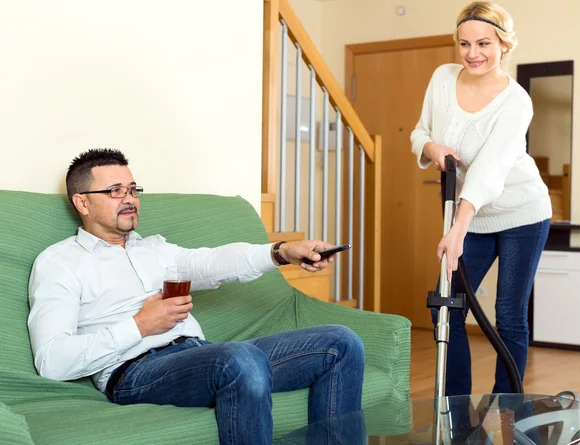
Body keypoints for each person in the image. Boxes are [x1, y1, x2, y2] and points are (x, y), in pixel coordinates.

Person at [27, 148, 365, 445]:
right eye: (115, 191)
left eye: (132, 189)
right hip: (133, 372)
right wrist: (140, 325)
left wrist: (282, 251)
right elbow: (52, 360)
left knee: (341, 342)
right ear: (82, 201)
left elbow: (212, 263)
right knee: (239, 360)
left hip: (201, 356)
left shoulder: (155, 249)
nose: (129, 198)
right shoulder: (59, 263)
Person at [410, 1, 551, 396]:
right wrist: (431, 148)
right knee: (445, 305)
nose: (473, 53)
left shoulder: (516, 101)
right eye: (464, 43)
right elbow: (420, 132)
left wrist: (457, 229)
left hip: (521, 213)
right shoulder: (442, 79)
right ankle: (457, 414)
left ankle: (508, 409)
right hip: (475, 217)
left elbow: (489, 170)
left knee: (508, 316)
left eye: (484, 43)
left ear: (504, 45)